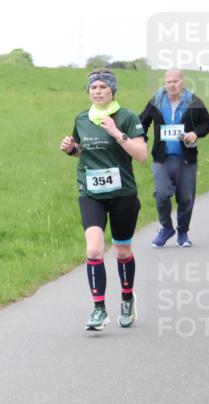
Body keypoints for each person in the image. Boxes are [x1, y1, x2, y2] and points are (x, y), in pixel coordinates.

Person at [59, 69, 148, 331]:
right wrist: (71, 149)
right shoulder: (82, 118)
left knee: (122, 251)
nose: (97, 91)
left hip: (123, 196)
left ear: (112, 91)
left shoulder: (128, 117)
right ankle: (99, 309)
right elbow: (83, 152)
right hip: (91, 194)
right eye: (93, 87)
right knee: (94, 250)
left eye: (102, 87)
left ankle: (127, 299)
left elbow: (142, 155)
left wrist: (116, 133)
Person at [139, 69, 209, 248]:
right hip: (162, 159)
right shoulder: (156, 101)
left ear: (182, 82)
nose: (171, 85)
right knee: (161, 195)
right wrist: (142, 140)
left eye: (175, 81)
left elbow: (207, 123)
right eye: (168, 82)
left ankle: (182, 232)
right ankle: (166, 228)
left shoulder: (194, 101)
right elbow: (142, 121)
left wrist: (195, 133)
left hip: (186, 159)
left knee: (186, 198)